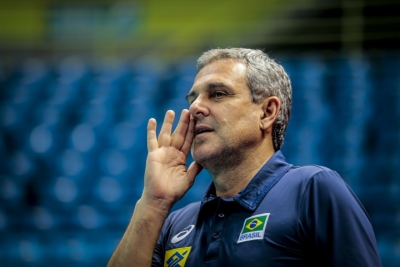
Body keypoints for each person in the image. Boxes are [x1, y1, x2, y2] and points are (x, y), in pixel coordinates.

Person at [107, 48, 382, 266]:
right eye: (192, 98)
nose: (195, 108)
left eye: (218, 94)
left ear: (266, 112)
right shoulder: (175, 222)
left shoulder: (314, 190)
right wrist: (153, 204)